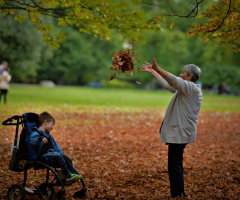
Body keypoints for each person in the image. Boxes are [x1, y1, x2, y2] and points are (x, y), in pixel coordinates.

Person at [141, 58, 202, 199]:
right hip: (180, 131)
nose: (180, 74)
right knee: (175, 162)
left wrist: (158, 69)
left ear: (189, 76)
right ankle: (178, 193)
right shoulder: (185, 88)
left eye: (183, 73)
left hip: (181, 131)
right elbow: (169, 86)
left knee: (175, 164)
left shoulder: (191, 88)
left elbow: (174, 81)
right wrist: (153, 72)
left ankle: (178, 194)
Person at [30, 111, 82, 182]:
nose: (52, 127)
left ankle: (73, 173)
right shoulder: (36, 133)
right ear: (45, 122)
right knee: (59, 157)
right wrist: (40, 139)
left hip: (52, 155)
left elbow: (56, 146)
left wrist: (60, 153)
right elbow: (32, 142)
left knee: (65, 157)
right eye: (52, 124)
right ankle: (68, 175)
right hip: (43, 157)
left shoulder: (49, 135)